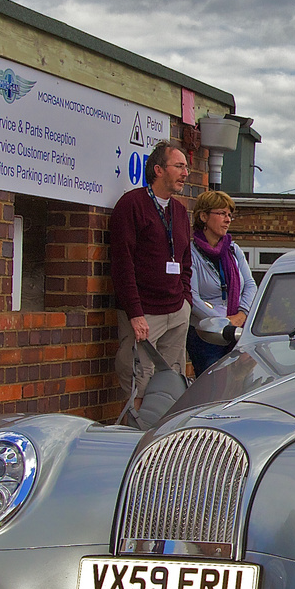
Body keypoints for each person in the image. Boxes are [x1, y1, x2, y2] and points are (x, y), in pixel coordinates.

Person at [108, 141, 193, 411]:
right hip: (144, 315)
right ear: (158, 169)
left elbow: (185, 260)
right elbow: (123, 263)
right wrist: (134, 312)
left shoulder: (179, 211)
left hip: (176, 311)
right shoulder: (132, 204)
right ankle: (136, 440)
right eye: (179, 166)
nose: (185, 173)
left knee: (171, 387)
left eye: (186, 167)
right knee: (140, 386)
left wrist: (186, 301)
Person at [188, 190, 256, 376]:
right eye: (222, 214)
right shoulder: (191, 253)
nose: (227, 219)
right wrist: (223, 323)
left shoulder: (234, 250)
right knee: (213, 388)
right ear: (203, 216)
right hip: (207, 334)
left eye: (229, 215)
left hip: (237, 332)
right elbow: (192, 297)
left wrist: (242, 314)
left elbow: (250, 285)